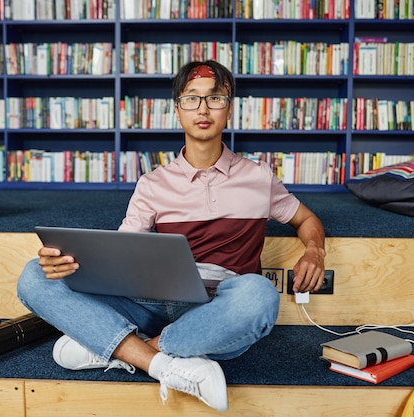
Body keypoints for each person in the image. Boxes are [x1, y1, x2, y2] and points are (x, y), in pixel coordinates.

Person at [17, 60, 326, 412]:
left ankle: (125, 348)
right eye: (192, 99)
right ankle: (165, 364)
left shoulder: (259, 177)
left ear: (230, 109)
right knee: (33, 276)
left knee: (260, 296)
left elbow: (306, 219)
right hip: (154, 300)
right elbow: (121, 254)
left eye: (216, 98)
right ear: (177, 111)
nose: (204, 109)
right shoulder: (153, 184)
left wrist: (315, 251)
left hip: (219, 307)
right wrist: (67, 265)